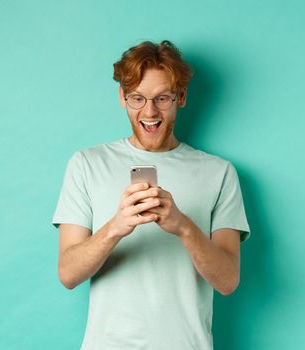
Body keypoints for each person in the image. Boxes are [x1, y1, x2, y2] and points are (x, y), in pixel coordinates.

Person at [52, 40, 250, 350]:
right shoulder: (86, 164)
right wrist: (116, 227)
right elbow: (68, 274)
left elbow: (228, 281)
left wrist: (183, 226)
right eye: (137, 98)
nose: (149, 111)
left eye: (162, 98)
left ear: (181, 97)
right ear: (122, 97)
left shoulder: (219, 172)